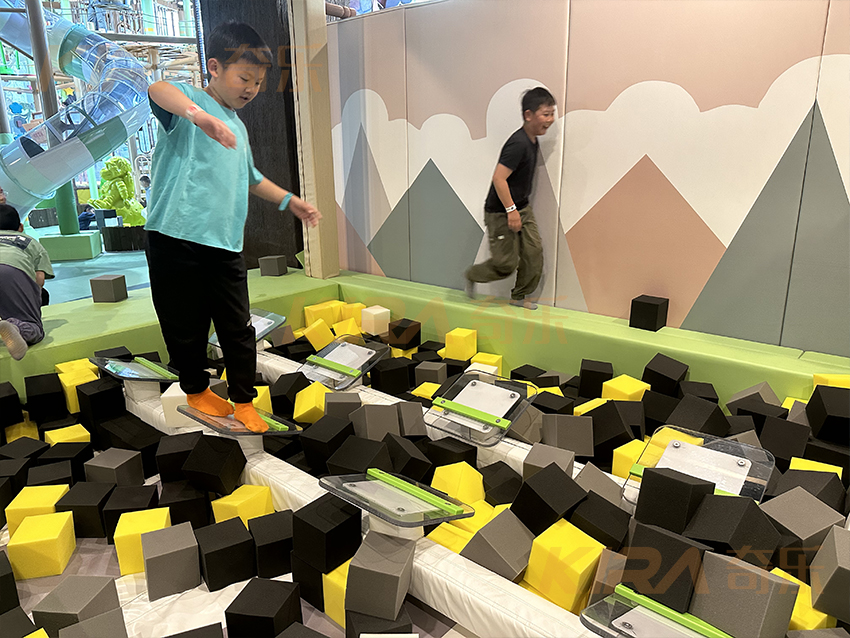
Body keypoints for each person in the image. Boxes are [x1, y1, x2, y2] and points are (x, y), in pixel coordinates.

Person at [145, 21, 321, 433]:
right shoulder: (189, 103)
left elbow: (250, 177)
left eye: (258, 82)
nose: (251, 89)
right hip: (174, 236)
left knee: (238, 326)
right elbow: (157, 89)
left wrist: (290, 200)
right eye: (244, 78)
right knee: (185, 323)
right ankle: (196, 389)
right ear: (214, 67)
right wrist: (199, 117)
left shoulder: (238, 127)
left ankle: (243, 400)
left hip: (223, 244)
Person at [465, 87, 556, 310]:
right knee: (505, 265)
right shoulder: (518, 143)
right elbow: (499, 178)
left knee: (534, 254)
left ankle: (519, 296)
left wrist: (517, 209)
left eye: (552, 113)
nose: (550, 120)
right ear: (528, 115)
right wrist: (511, 210)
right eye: (545, 114)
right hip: (500, 211)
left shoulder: (533, 140)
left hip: (521, 207)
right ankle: (472, 274)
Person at [0, 204, 54, 360]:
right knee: (34, 327)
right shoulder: (29, 242)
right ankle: (16, 327)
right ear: (21, 227)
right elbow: (39, 280)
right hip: (11, 269)